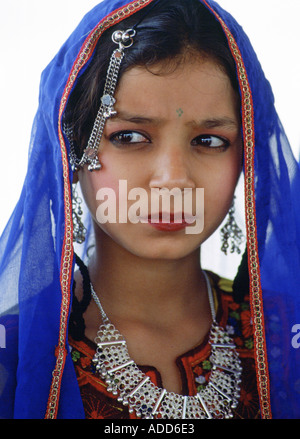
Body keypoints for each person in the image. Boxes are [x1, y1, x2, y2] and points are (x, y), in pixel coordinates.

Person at [0, 0, 300, 420]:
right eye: (130, 137)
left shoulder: (287, 338)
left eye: (209, 141)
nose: (173, 179)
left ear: (246, 158)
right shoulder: (14, 355)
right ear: (71, 150)